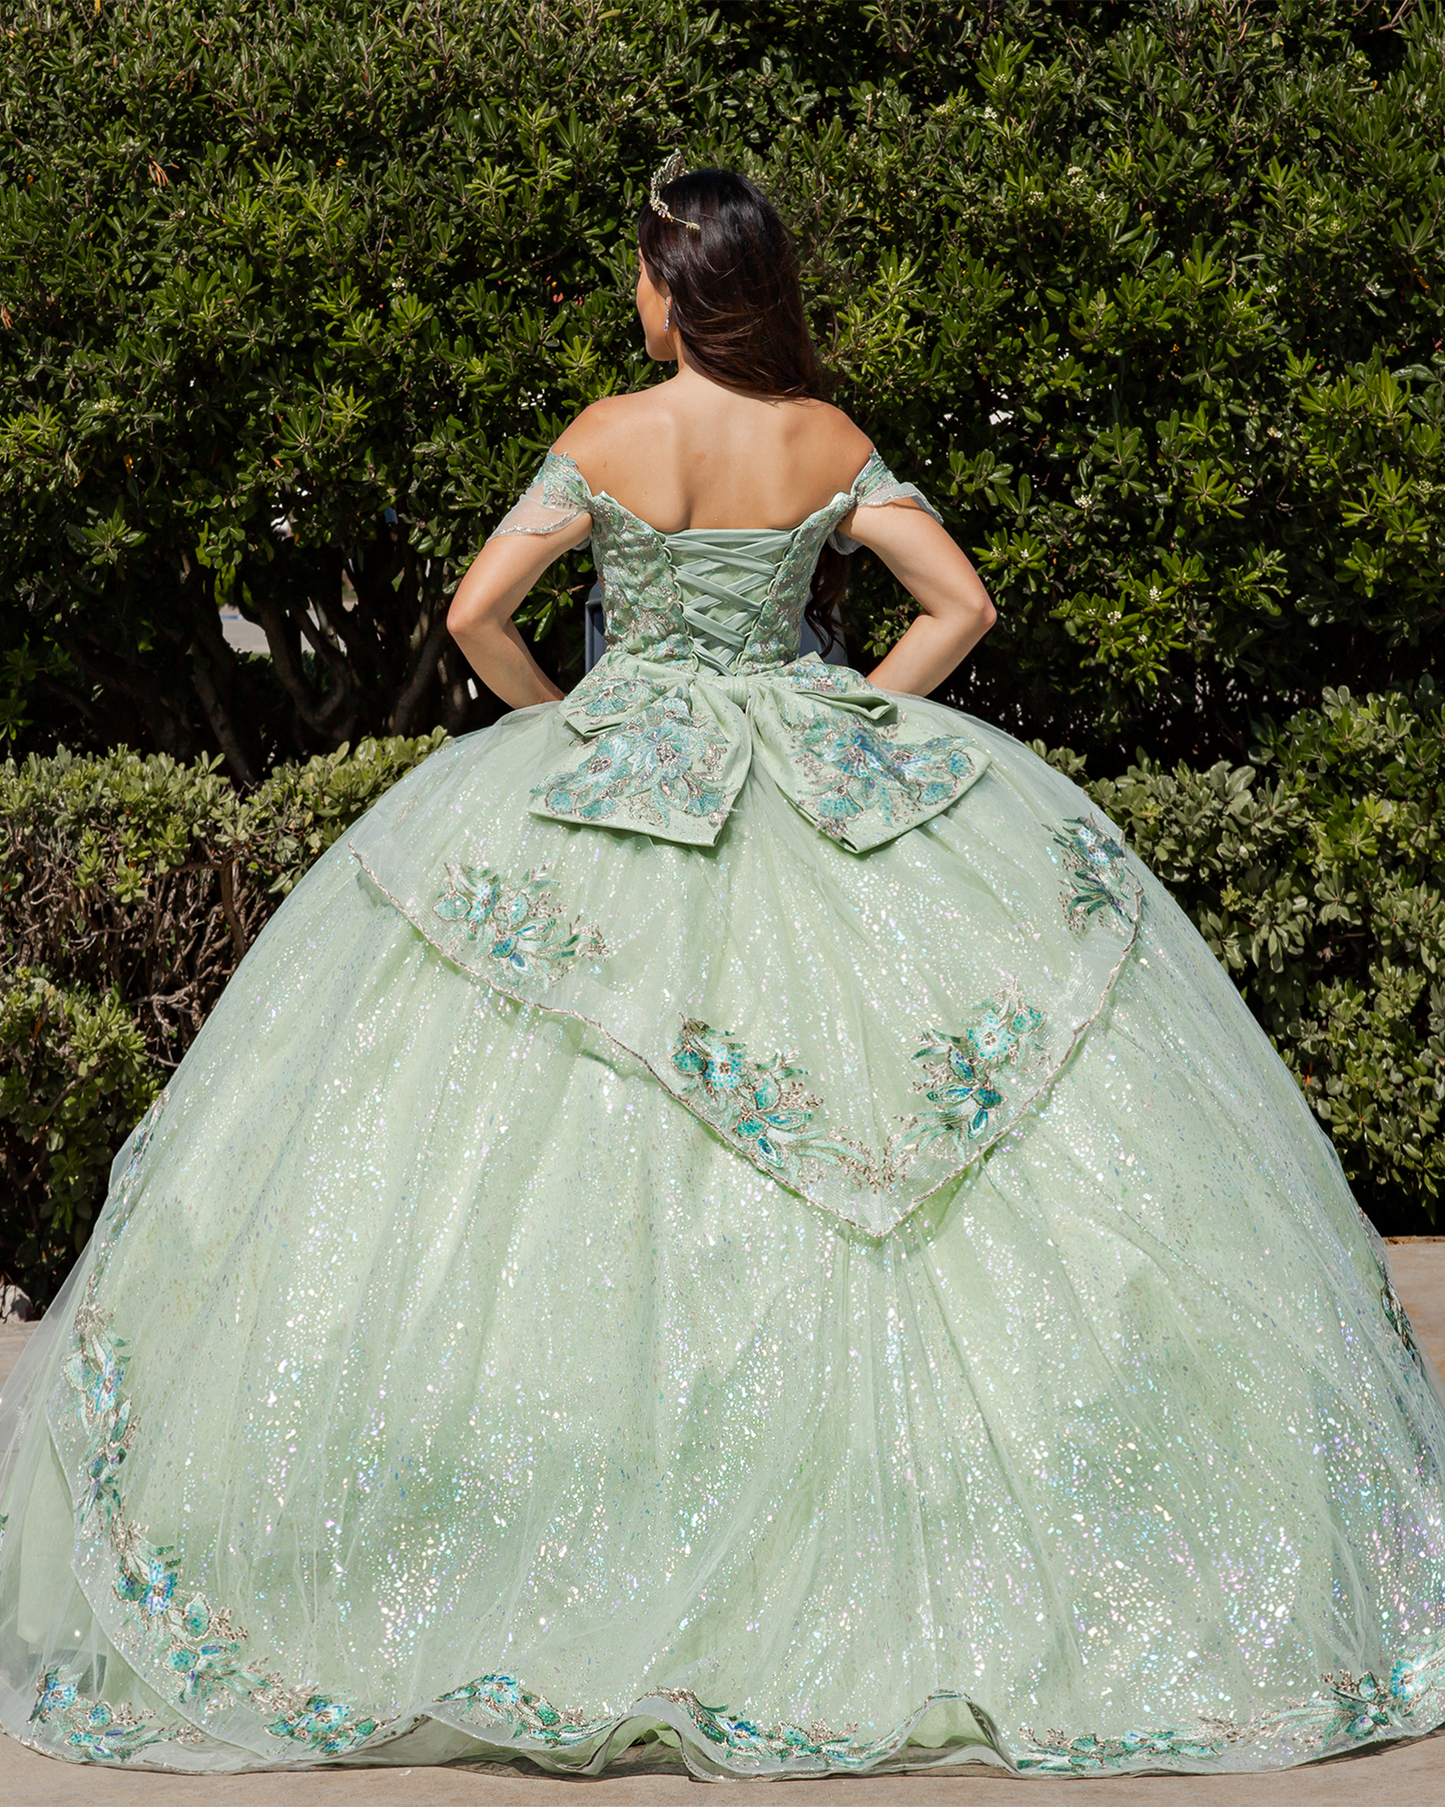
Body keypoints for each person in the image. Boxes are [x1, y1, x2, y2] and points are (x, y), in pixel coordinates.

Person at [1, 161, 1442, 1782]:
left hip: (623, 767)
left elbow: (479, 610)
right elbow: (958, 602)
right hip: (811, 754)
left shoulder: (612, 435)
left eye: (640, 272)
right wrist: (857, 710)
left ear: (669, 289)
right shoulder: (824, 437)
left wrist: (563, 724)